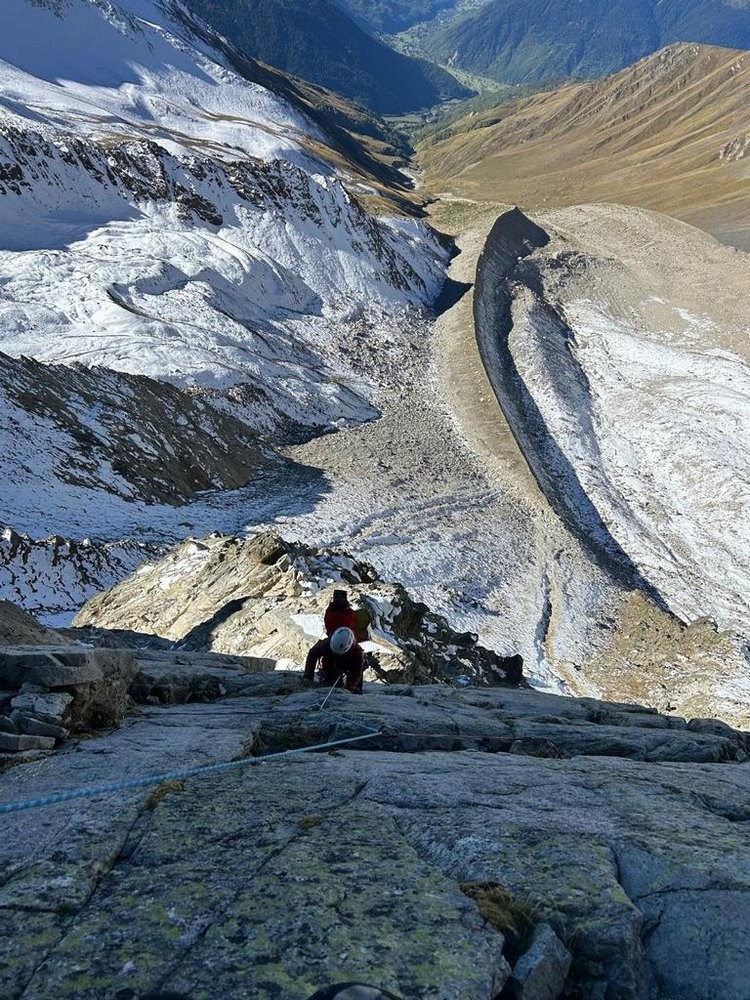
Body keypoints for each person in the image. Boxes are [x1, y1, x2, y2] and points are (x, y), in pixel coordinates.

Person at [304, 626, 364, 694]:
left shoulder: (357, 654)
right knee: (329, 680)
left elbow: (356, 672)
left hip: (348, 664)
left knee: (355, 689)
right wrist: (308, 676)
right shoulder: (327, 643)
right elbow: (313, 653)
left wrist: (349, 688)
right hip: (330, 661)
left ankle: (356, 690)